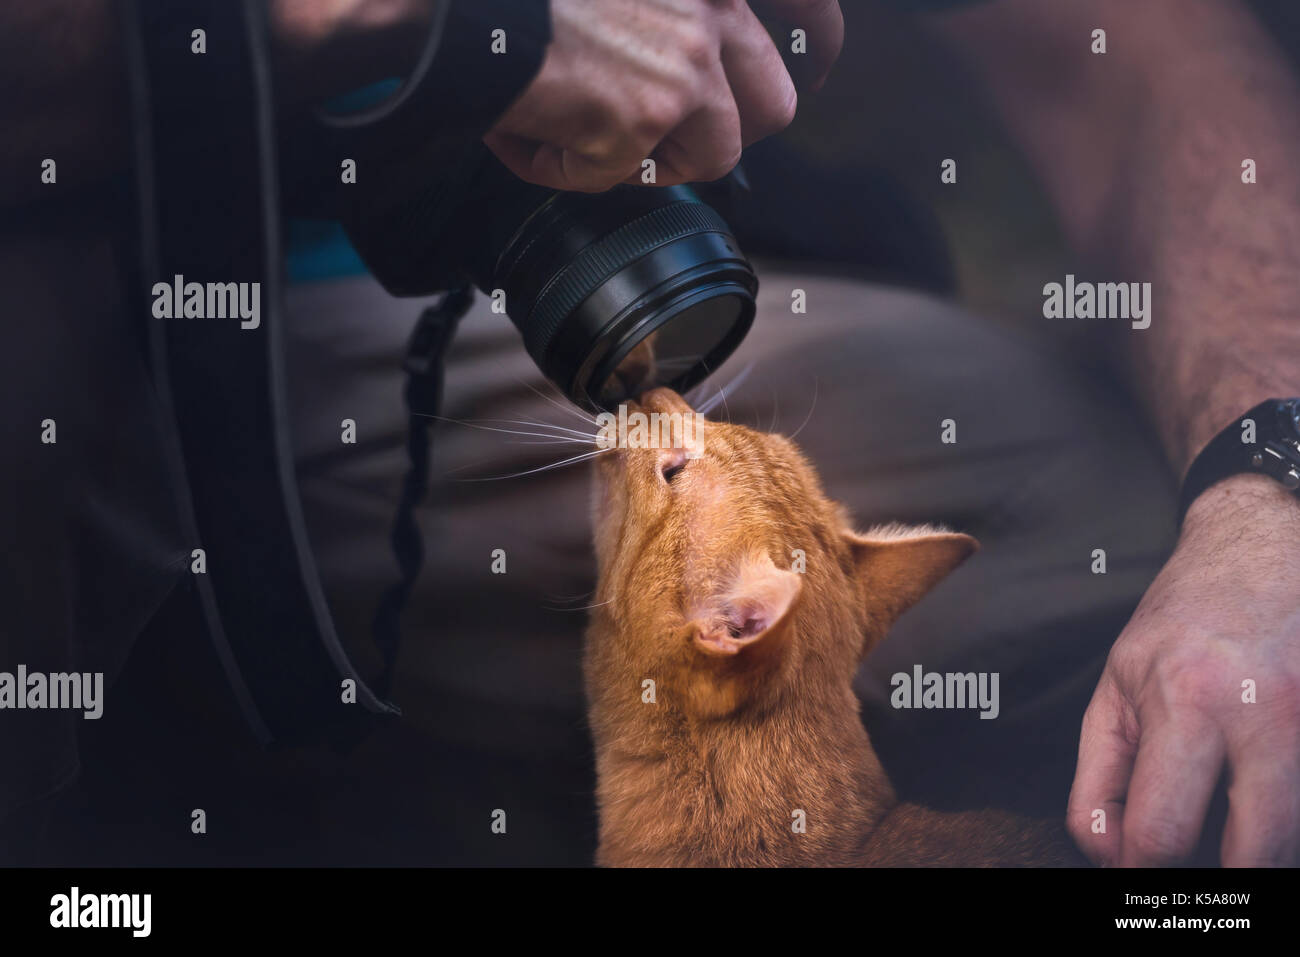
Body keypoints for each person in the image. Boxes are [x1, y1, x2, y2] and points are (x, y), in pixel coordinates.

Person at [2, 0, 1297, 869]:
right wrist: (451, 27)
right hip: (99, 309)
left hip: (505, 309)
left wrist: (1268, 478)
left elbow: (1135, 46)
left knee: (1132, 558)